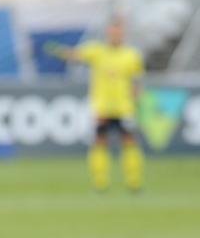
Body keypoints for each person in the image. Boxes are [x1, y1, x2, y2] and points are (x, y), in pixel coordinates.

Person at [46, 19, 145, 192]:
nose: (116, 35)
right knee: (100, 143)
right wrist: (57, 50)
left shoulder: (131, 55)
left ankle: (134, 182)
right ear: (108, 33)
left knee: (129, 143)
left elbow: (136, 81)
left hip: (124, 107)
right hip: (103, 107)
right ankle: (100, 183)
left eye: (119, 32)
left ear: (123, 34)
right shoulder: (97, 51)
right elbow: (74, 55)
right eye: (113, 32)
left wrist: (137, 99)